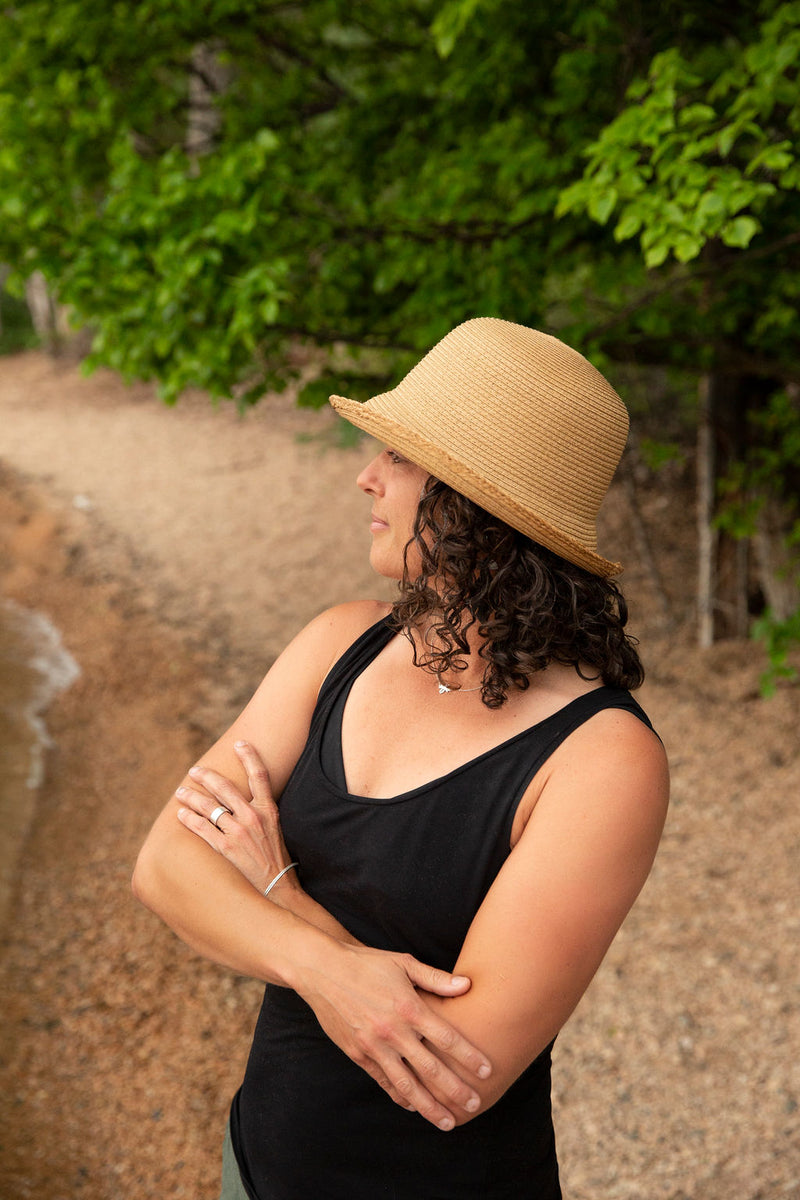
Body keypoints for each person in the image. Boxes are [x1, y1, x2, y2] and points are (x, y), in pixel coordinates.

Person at [132, 318, 669, 1200]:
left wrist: (280, 894)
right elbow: (166, 864)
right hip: (254, 1167)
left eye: (400, 458)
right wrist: (327, 968)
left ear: (477, 506)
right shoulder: (336, 645)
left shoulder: (603, 759)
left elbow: (459, 1072)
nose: (365, 476)